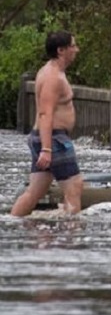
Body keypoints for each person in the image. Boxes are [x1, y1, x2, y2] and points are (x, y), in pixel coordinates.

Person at [11, 31, 83, 216]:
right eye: (73, 46)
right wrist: (47, 149)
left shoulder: (54, 72)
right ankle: (71, 235)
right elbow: (45, 113)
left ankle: (12, 221)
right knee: (74, 187)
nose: (77, 49)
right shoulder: (53, 77)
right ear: (61, 50)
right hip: (53, 138)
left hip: (46, 138)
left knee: (35, 192)